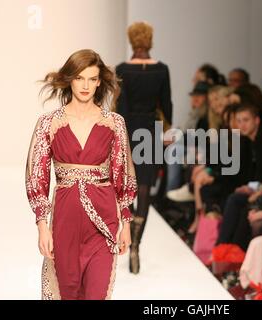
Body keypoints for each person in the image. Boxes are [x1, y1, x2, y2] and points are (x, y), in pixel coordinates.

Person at [25, 49, 137, 300]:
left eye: (91, 79)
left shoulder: (114, 123)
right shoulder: (49, 122)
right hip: (65, 221)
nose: (85, 85)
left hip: (104, 220)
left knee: (97, 293)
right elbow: (37, 176)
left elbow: (123, 174)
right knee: (68, 292)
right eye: (79, 78)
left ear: (99, 82)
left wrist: (126, 224)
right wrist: (43, 226)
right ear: (70, 80)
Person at [116, 21, 173, 274]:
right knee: (145, 187)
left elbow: (121, 106)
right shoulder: (161, 70)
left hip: (128, 130)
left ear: (131, 40)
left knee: (126, 185)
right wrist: (167, 130)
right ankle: (137, 243)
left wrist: (119, 136)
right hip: (150, 130)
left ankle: (127, 235)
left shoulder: (122, 69)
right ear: (150, 40)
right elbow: (167, 104)